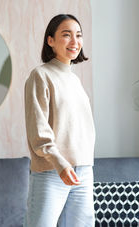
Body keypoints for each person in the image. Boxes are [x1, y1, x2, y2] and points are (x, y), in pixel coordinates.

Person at [23, 14, 96, 227]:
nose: (75, 42)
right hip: (52, 170)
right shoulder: (40, 75)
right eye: (66, 35)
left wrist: (85, 164)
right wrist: (60, 164)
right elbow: (38, 130)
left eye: (79, 35)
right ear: (50, 41)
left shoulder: (74, 79)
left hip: (83, 170)